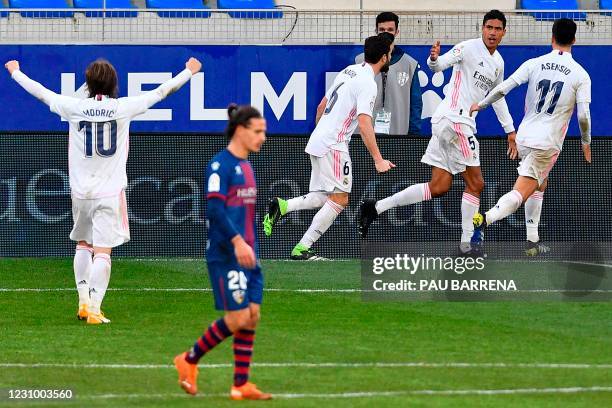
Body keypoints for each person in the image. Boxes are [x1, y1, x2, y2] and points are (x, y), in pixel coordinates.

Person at [5, 57, 201, 324]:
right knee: (103, 251)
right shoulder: (122, 107)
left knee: (83, 245)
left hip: (80, 193)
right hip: (109, 192)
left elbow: (41, 92)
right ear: (113, 84)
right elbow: (162, 91)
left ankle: (84, 302)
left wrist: (16, 72)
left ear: (87, 83)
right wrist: (188, 72)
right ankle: (95, 308)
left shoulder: (74, 107)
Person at [358, 10, 516, 255]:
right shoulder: (467, 48)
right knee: (476, 183)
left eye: (497, 29)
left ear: (504, 32)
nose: (492, 33)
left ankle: (375, 207)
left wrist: (510, 130)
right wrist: (433, 60)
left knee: (439, 186)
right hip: (455, 121)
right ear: (482, 28)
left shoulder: (499, 63)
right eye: (489, 27)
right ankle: (468, 246)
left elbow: (498, 97)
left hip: (449, 123)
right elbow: (439, 65)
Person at [262, 34, 396, 260]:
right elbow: (364, 123)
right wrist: (377, 159)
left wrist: (320, 134)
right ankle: (303, 247)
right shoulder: (368, 83)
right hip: (334, 143)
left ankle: (282, 205)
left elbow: (321, 106)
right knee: (340, 199)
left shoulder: (348, 71)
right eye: (390, 53)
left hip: (320, 140)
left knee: (325, 196)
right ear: (384, 57)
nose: (390, 56)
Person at [174, 104, 271, 400]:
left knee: (252, 315)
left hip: (247, 254)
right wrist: (238, 242)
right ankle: (188, 360)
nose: (263, 137)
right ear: (240, 131)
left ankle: (241, 384)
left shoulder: (247, 166)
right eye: (258, 131)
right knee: (239, 317)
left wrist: (250, 247)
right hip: (227, 253)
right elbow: (214, 210)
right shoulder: (220, 166)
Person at [470, 18, 591, 251]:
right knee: (521, 191)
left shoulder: (535, 63)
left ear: (552, 37)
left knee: (540, 183)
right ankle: (485, 218)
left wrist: (482, 104)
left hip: (524, 137)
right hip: (546, 143)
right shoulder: (580, 74)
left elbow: (505, 87)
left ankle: (532, 241)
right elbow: (584, 116)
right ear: (574, 40)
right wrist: (585, 143)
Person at [355, 11, 422, 135]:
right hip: (364, 135)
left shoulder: (409, 64)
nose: (386, 33)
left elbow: (415, 104)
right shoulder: (360, 61)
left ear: (397, 32)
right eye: (382, 30)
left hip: (398, 134)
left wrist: (414, 135)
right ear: (376, 31)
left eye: (390, 29)